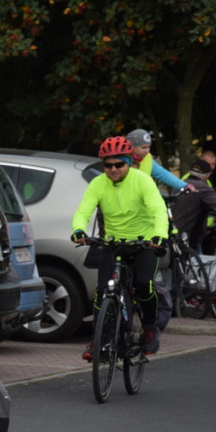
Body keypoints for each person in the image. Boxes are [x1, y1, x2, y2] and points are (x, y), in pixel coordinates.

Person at [72, 136, 168, 360]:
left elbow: (158, 210)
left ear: (129, 162)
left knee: (145, 285)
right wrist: (78, 229)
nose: (113, 169)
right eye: (108, 165)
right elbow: (83, 211)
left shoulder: (142, 181)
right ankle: (99, 339)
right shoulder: (98, 184)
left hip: (144, 243)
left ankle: (151, 328)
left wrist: (160, 235)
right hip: (113, 243)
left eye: (119, 164)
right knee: (102, 291)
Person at [171, 159, 216, 252]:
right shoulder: (204, 188)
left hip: (173, 235)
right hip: (190, 238)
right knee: (196, 264)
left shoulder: (179, 185)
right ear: (208, 175)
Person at [126, 128, 194, 192]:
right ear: (132, 146)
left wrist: (184, 186)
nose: (147, 150)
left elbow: (163, 175)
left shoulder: (147, 159)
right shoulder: (121, 160)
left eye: (149, 147)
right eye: (143, 147)